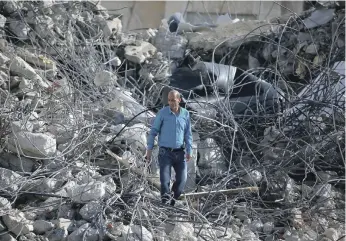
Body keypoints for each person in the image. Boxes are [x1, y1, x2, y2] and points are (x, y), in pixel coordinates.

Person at [146, 90, 193, 206]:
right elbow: (153, 132)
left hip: (180, 153)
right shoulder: (162, 113)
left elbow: (188, 134)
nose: (171, 102)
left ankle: (172, 202)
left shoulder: (185, 114)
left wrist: (189, 150)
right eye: (169, 100)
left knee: (182, 180)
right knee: (165, 181)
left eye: (173, 100)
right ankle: (165, 204)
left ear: (179, 100)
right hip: (165, 153)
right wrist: (149, 151)